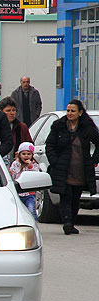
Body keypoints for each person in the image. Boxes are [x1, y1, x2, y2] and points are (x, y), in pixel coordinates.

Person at [45, 99, 99, 235]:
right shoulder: (59, 125)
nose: (69, 113)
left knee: (75, 197)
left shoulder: (87, 127)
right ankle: (67, 223)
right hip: (63, 169)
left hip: (81, 170)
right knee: (66, 196)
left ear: (80, 113)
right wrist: (55, 161)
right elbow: (50, 145)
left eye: (73, 111)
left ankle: (72, 222)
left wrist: (94, 160)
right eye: (68, 110)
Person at [9, 142, 41, 220]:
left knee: (31, 210)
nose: (26, 156)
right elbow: (14, 176)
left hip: (30, 193)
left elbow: (37, 175)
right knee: (18, 213)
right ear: (19, 155)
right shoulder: (16, 164)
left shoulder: (34, 164)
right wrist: (10, 173)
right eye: (23, 154)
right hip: (18, 193)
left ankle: (33, 225)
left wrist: (30, 166)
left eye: (28, 154)